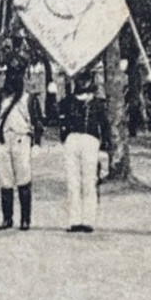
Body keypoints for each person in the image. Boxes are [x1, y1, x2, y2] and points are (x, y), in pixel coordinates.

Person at [0, 64, 44, 230]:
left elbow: (38, 122)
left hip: (21, 139)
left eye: (16, 76)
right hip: (2, 140)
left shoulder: (28, 99)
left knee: (23, 178)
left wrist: (37, 143)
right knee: (5, 180)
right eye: (10, 76)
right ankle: (7, 218)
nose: (13, 80)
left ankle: (25, 219)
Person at [59, 72, 111, 233]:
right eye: (80, 79)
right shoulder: (67, 101)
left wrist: (105, 145)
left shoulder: (97, 103)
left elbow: (105, 124)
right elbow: (61, 119)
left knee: (89, 180)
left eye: (86, 79)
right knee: (73, 181)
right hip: (73, 139)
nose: (83, 83)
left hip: (90, 139)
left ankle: (88, 220)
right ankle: (74, 220)